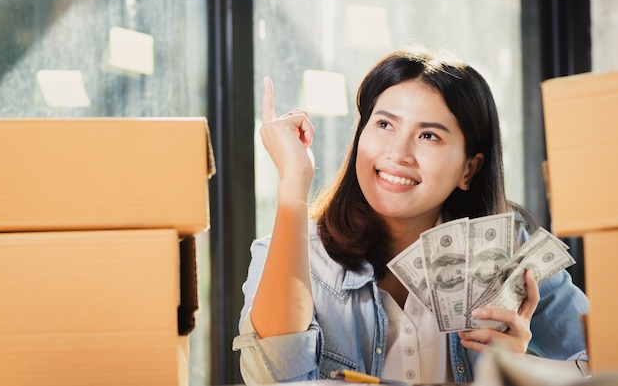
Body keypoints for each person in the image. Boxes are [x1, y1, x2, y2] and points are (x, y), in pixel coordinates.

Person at [232, 46, 589, 384]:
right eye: (384, 125)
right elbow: (273, 379)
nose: (398, 152)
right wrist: (294, 182)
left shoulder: (513, 256)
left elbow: (600, 366)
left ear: (469, 169)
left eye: (429, 135)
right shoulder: (290, 255)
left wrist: (521, 366)